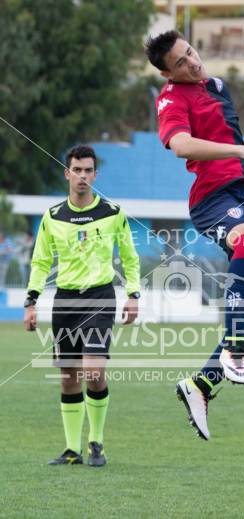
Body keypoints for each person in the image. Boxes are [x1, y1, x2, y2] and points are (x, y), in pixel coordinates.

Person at [145, 30, 244, 440]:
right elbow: (182, 145)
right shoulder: (170, 99)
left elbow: (236, 142)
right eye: (181, 62)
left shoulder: (218, 87)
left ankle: (201, 385)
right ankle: (235, 346)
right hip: (212, 198)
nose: (193, 62)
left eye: (191, 52)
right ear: (168, 72)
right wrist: (241, 153)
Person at [24, 145, 140, 465]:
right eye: (77, 170)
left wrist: (133, 294)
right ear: (67, 173)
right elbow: (40, 261)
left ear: (95, 175)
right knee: (68, 376)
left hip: (100, 297)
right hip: (65, 300)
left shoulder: (113, 213)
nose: (83, 176)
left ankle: (96, 442)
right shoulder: (53, 216)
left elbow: (130, 258)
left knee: (93, 371)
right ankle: (72, 449)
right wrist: (31, 300)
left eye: (88, 170)